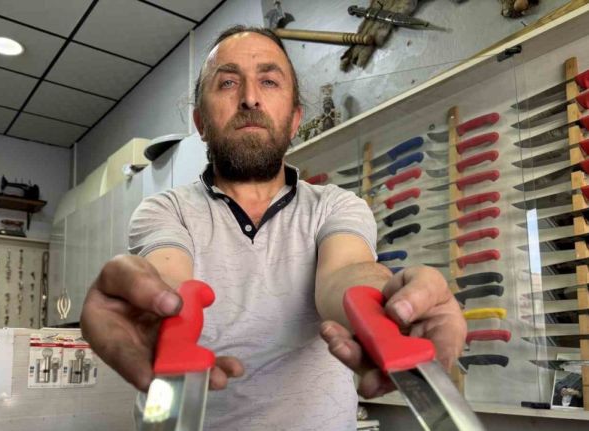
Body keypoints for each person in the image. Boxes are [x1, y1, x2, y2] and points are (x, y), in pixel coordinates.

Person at [81, 25, 466, 430]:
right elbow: (169, 284)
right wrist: (159, 305)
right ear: (200, 122)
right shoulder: (164, 209)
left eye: (269, 81)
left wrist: (390, 310)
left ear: (295, 118)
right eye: (228, 82)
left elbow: (349, 273)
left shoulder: (336, 206)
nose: (249, 97)